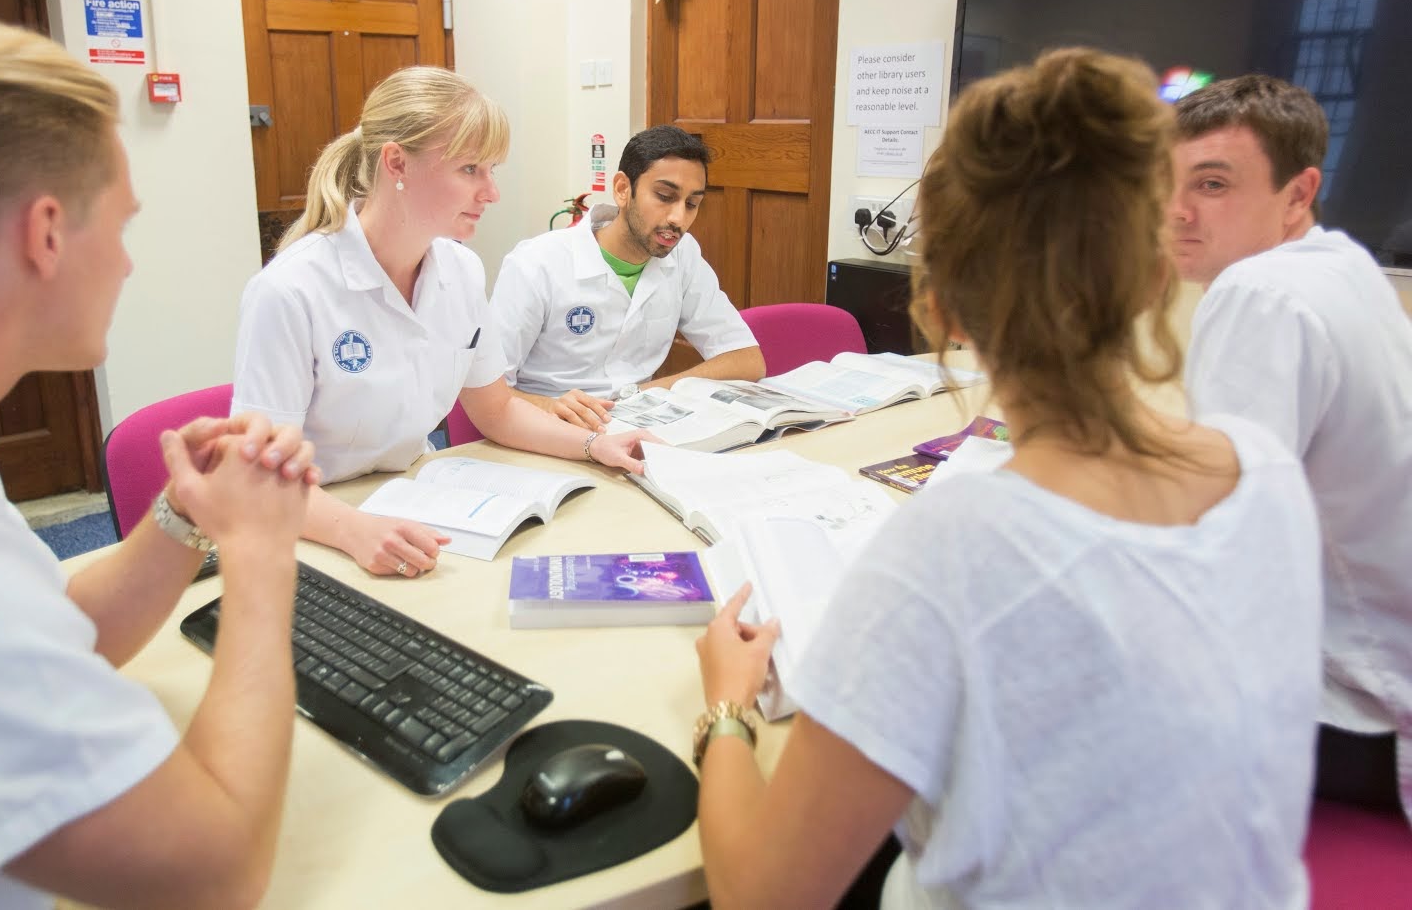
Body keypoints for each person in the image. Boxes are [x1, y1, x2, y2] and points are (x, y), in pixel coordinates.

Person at [690, 49, 1324, 908]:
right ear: (1151, 271)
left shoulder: (956, 544)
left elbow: (762, 896)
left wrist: (725, 710)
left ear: (939, 306)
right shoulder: (1270, 470)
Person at [0, 15, 318, 909]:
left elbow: (48, 630)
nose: (126, 264)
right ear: (45, 234)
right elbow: (217, 871)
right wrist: (261, 554)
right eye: (120, 226)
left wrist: (186, 515)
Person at [231, 66, 649, 579]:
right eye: (470, 169)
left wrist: (593, 446)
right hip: (312, 524)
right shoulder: (290, 290)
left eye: (492, 169)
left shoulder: (460, 270)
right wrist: (355, 531)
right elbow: (260, 479)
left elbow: (495, 410)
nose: (492, 192)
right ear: (396, 163)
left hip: (410, 506)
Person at [1171, 74, 1412, 822]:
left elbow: (1221, 544)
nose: (1176, 211)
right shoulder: (1342, 262)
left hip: (1354, 707)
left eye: (1212, 184)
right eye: (1167, 182)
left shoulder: (1261, 294)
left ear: (1298, 193)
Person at [487, 124, 765, 430]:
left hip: (634, 426)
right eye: (664, 196)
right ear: (622, 189)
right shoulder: (536, 264)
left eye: (691, 204)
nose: (678, 218)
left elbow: (746, 359)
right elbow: (485, 391)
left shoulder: (682, 254)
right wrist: (552, 406)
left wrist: (646, 393)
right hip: (546, 430)